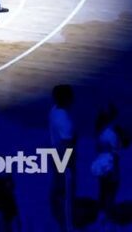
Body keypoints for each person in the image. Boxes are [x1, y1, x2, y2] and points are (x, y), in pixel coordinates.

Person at [49, 84, 77, 232]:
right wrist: (69, 165)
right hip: (63, 155)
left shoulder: (54, 111)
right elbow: (68, 143)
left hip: (56, 152)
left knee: (58, 186)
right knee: (65, 190)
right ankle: (65, 224)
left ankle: (61, 220)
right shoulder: (64, 119)